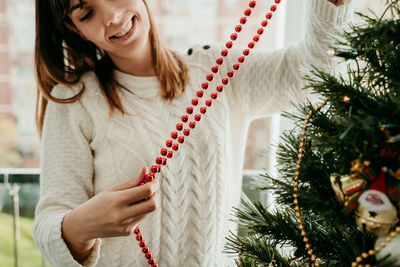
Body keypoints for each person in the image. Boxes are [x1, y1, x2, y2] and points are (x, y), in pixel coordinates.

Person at [32, 0, 353, 266]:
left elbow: (312, 78)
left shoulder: (216, 70)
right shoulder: (73, 101)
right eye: (87, 13)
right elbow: (48, 228)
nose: (112, 17)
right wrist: (81, 225)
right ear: (75, 29)